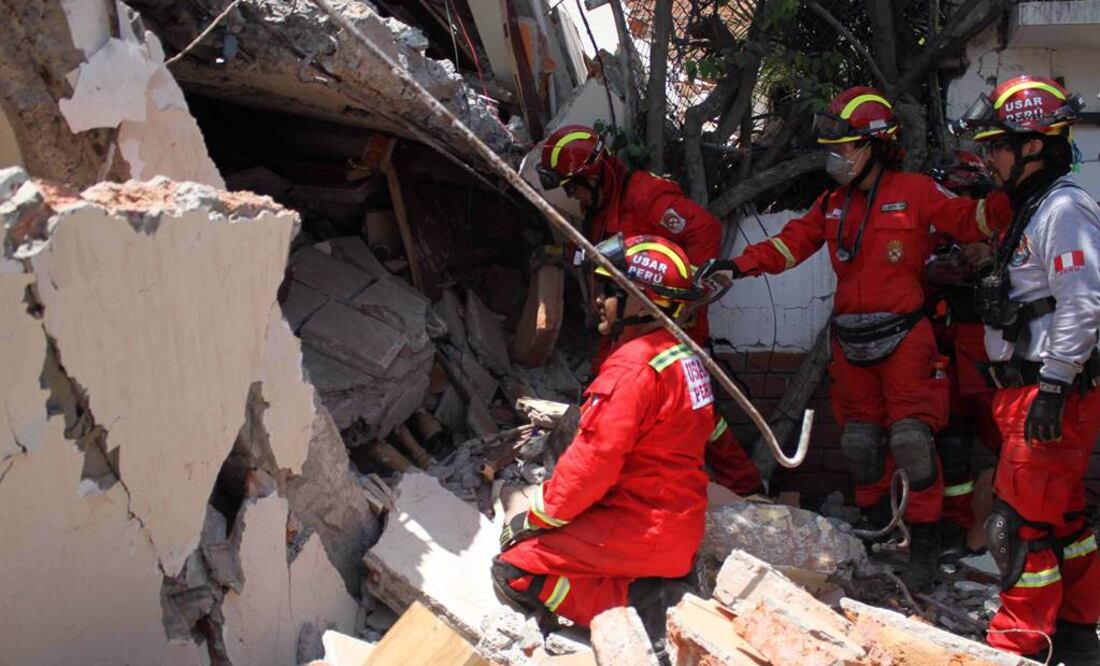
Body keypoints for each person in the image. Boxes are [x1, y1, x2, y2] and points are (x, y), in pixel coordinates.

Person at [696, 86, 1002, 590]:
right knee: (859, 444)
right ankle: (874, 537)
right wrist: (739, 265)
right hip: (851, 340)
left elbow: (974, 221)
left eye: (846, 147)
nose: (836, 157)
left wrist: (1014, 205)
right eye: (833, 148)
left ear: (877, 146)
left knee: (912, 441)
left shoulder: (918, 192)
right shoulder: (832, 203)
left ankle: (925, 544)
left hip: (905, 337)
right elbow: (792, 243)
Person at [493, 234, 716, 638]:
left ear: (642, 301)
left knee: (515, 568)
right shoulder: (683, 357)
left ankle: (646, 613)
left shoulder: (632, 368)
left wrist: (537, 518)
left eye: (610, 289)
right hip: (674, 524)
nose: (597, 299)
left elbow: (592, 466)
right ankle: (650, 587)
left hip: (638, 528)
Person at [952, 74, 1100, 664]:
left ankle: (1017, 645)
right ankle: (1076, 635)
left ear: (1033, 146)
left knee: (1017, 527)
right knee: (1063, 520)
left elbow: (1084, 300)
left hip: (1049, 391)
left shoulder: (1062, 208)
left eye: (997, 144)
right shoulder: (1032, 209)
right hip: (1034, 390)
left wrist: (1055, 386)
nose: (989, 156)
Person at [537, 125, 763, 496]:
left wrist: (686, 298)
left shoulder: (643, 195)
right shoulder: (602, 207)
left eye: (573, 186)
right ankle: (610, 478)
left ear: (593, 176)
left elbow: (703, 230)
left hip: (667, 324)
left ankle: (747, 485)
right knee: (605, 392)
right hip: (626, 325)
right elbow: (601, 255)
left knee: (699, 413)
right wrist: (562, 256)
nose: (571, 196)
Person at [924, 151, 1002, 564]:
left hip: (985, 341)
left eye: (965, 193)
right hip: (938, 344)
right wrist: (932, 272)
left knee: (1005, 437)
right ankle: (956, 526)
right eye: (951, 193)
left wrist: (989, 261)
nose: (957, 202)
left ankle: (1007, 522)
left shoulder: (1004, 227)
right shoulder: (930, 232)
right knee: (949, 439)